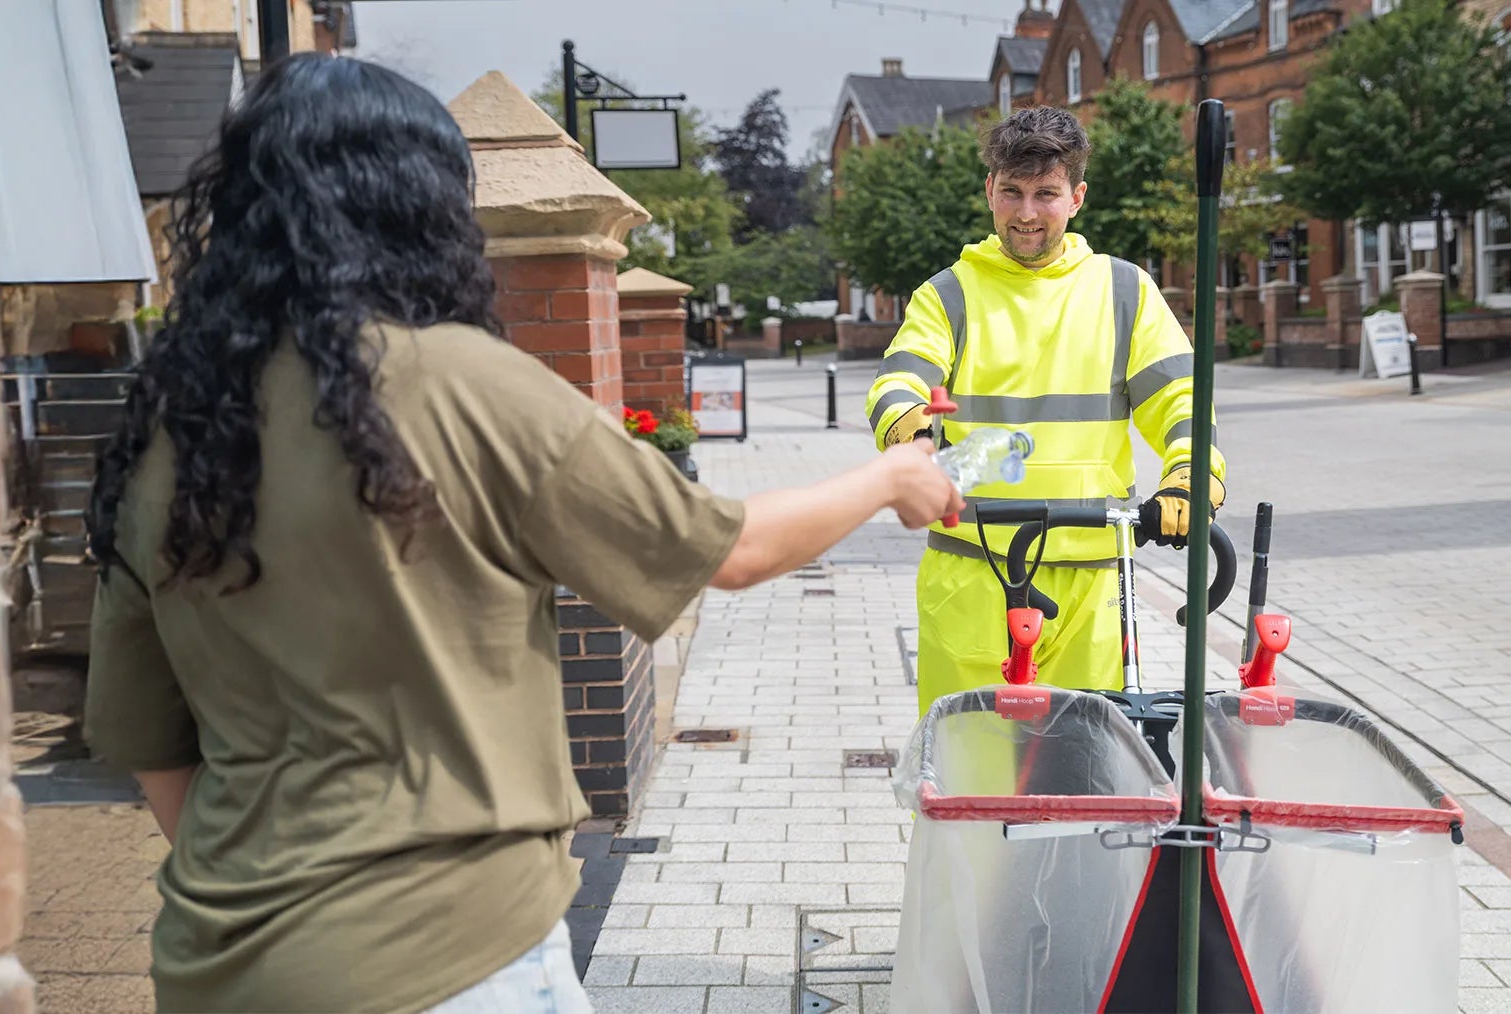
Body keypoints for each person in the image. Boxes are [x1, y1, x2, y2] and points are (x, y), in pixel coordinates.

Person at [80, 55, 961, 1014]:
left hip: (225, 960)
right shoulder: (465, 385)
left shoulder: (173, 431)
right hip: (456, 955)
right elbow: (731, 549)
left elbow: (151, 748)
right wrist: (888, 476)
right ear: (421, 209)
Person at [864, 107, 1227, 715]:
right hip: (973, 570)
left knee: (1082, 777)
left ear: (1077, 197)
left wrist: (1189, 477)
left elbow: (1181, 398)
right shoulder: (948, 293)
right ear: (989, 191)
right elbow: (899, 379)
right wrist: (912, 430)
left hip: (1093, 577)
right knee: (965, 777)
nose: (1026, 213)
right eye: (1012, 192)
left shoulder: (1124, 291)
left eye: (1046, 194)